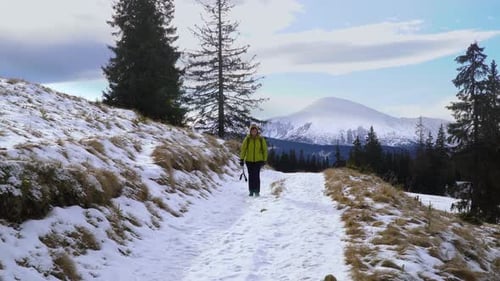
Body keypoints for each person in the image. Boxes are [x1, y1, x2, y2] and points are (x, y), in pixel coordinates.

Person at [239, 124, 268, 196]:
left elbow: (265, 150)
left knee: (256, 176)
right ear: (250, 131)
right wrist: (242, 159)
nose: (254, 131)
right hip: (249, 161)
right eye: (252, 130)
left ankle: (257, 191)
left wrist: (264, 159)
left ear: (257, 131)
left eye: (255, 130)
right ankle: (251, 191)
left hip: (258, 161)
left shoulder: (261, 139)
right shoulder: (247, 139)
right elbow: (243, 149)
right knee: (251, 176)